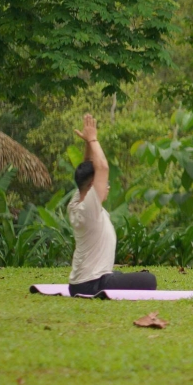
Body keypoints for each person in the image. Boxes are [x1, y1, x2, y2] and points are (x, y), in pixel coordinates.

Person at [68, 114, 157, 296]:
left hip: (81, 283)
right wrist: (93, 139)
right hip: (93, 284)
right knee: (150, 280)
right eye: (104, 183)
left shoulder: (76, 203)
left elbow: (87, 170)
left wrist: (87, 144)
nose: (107, 187)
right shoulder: (89, 208)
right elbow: (102, 167)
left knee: (123, 275)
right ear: (93, 186)